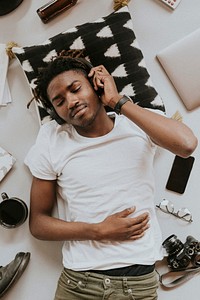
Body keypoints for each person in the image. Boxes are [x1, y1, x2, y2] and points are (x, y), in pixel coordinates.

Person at [24, 53, 197, 300]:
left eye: (76, 89)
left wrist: (116, 100)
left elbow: (187, 144)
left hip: (138, 286)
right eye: (60, 101)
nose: (71, 101)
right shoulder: (52, 139)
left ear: (96, 86)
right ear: (56, 112)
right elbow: (38, 224)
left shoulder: (137, 122)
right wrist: (98, 231)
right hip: (79, 284)